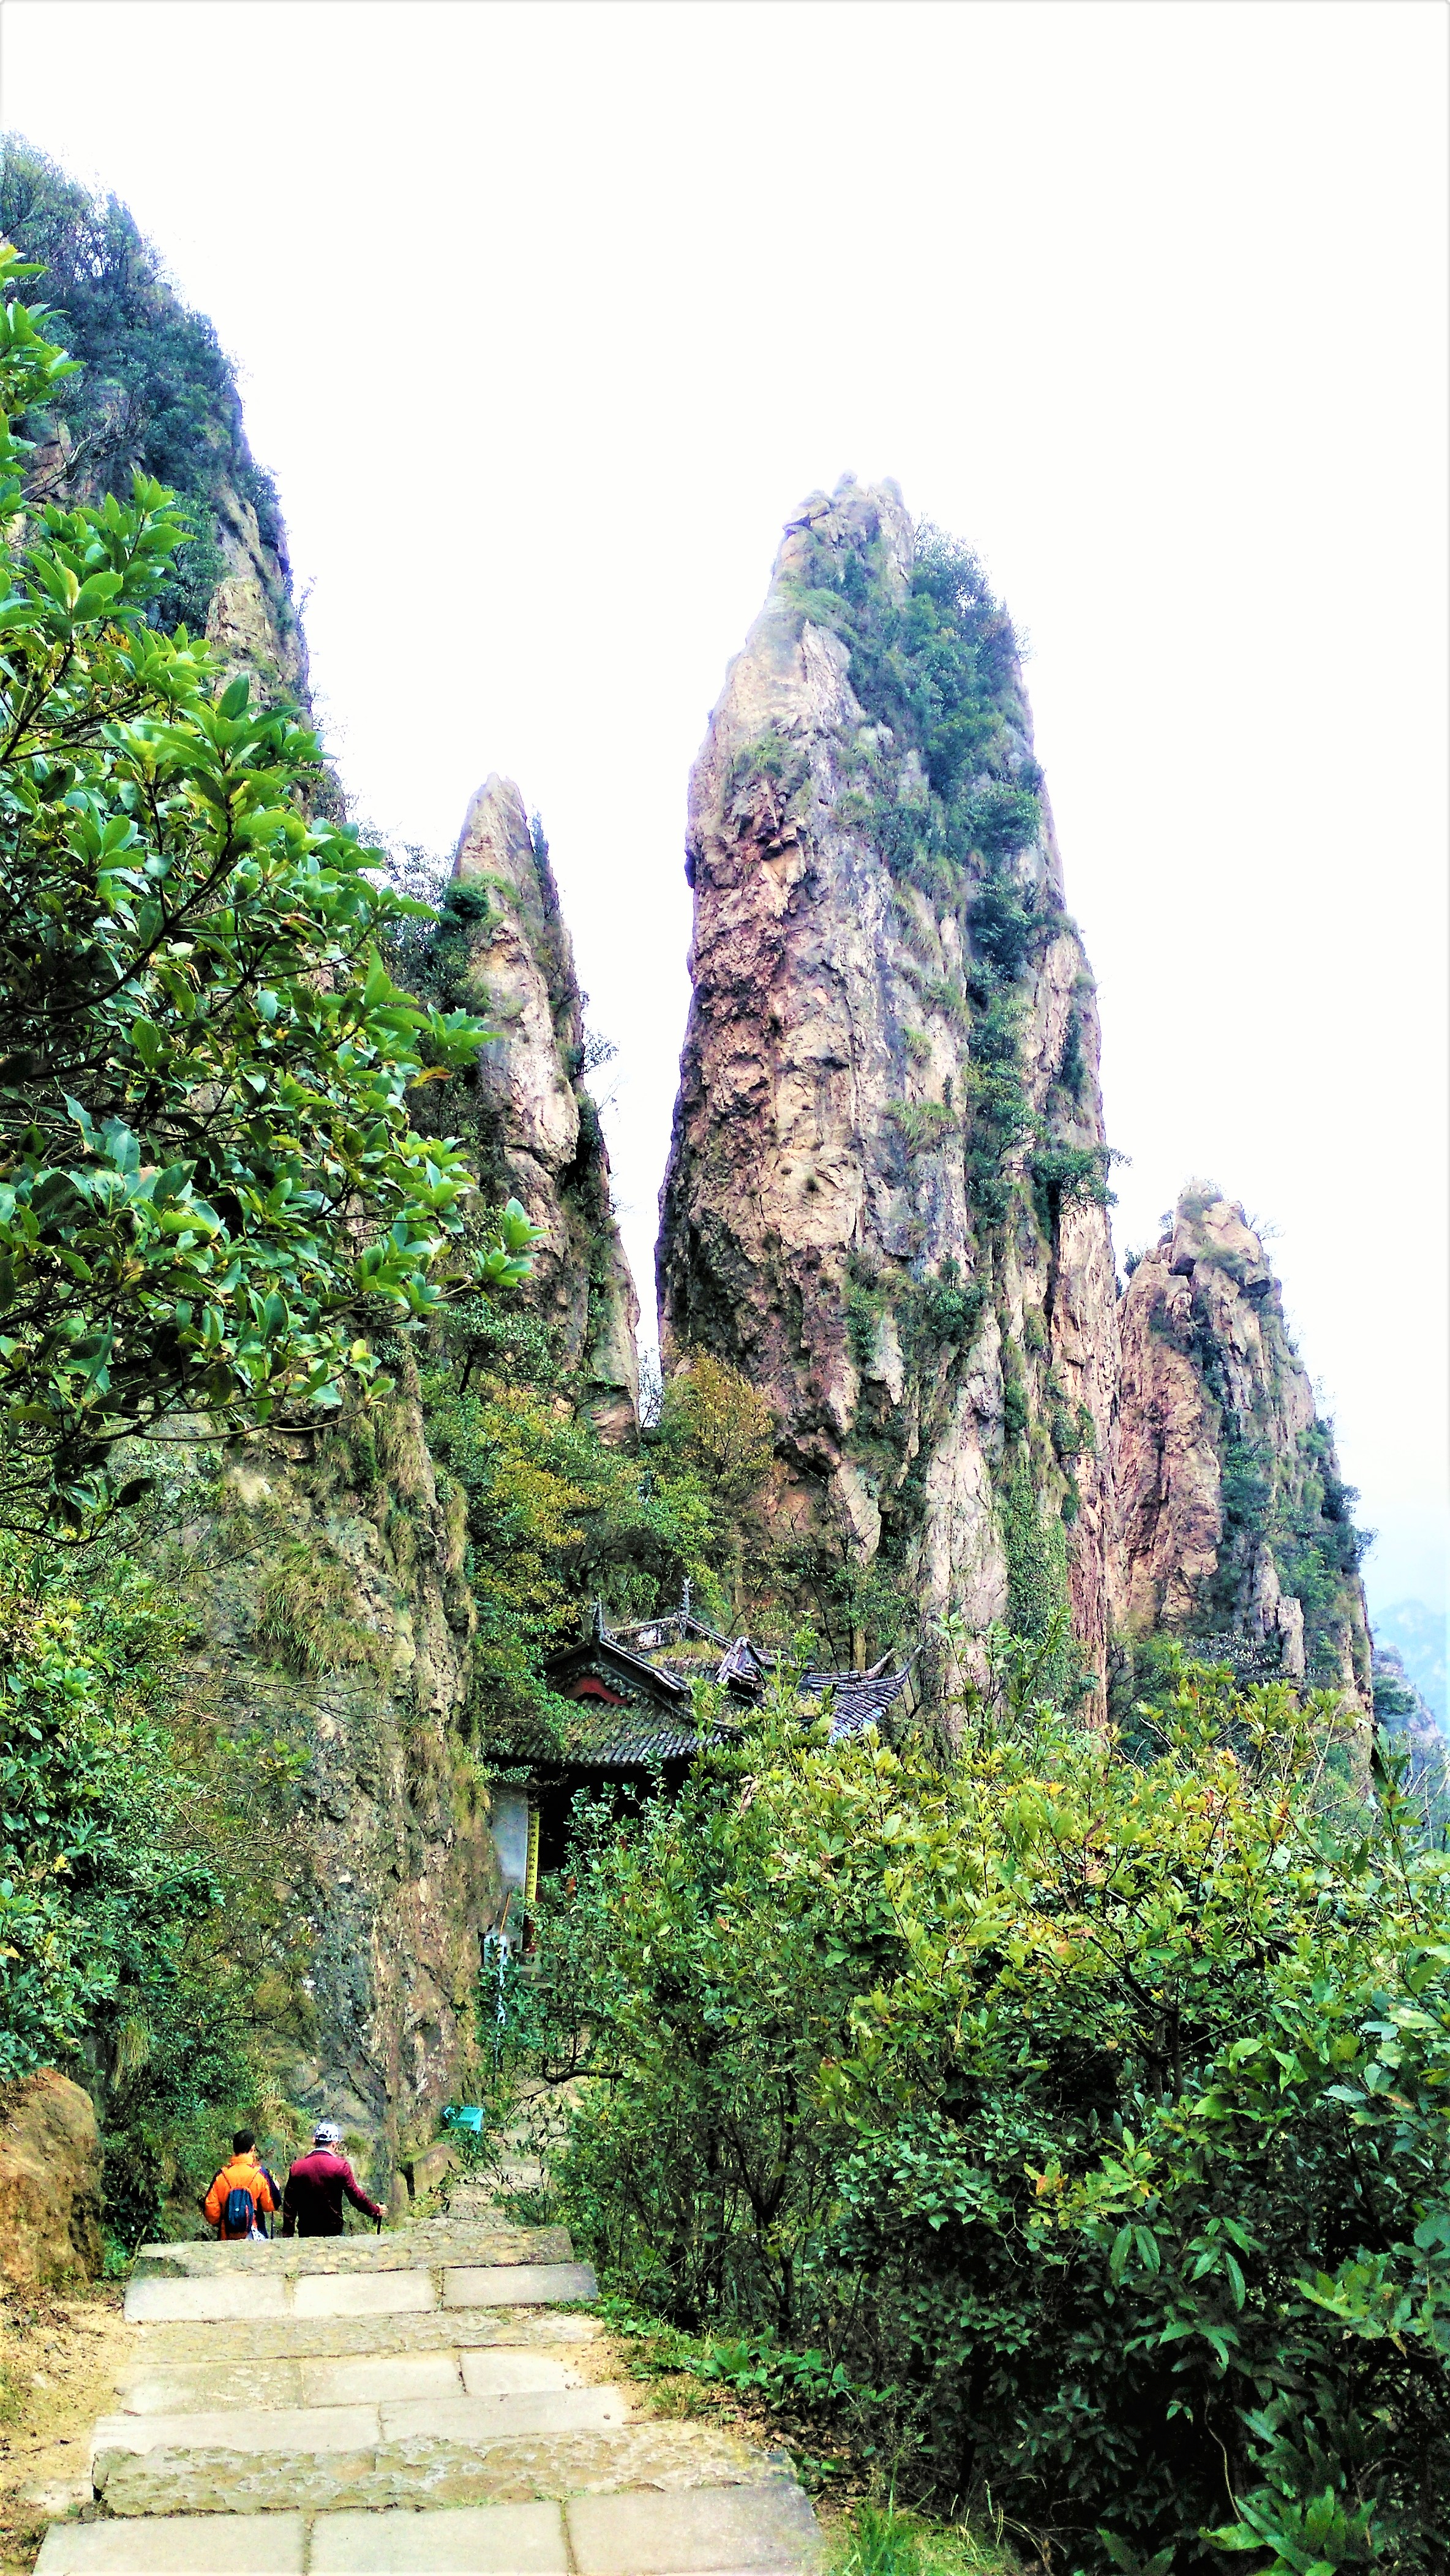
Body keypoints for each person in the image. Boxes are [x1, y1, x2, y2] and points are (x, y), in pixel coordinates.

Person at [282, 2120, 385, 2237]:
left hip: (306, 2231)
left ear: (314, 2141)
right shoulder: (340, 2166)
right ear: (334, 2144)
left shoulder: (298, 2168)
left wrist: (288, 2234)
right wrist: (375, 2211)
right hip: (333, 2230)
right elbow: (355, 2197)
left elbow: (290, 2204)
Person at [202, 2130, 277, 2242]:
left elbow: (211, 2211)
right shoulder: (260, 2174)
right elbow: (271, 2205)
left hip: (226, 2236)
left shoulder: (221, 2176)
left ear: (234, 2149)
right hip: (255, 2234)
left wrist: (226, 2220)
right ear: (252, 2148)